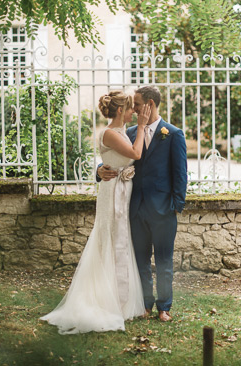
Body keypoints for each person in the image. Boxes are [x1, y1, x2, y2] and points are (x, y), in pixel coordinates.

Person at [41, 90, 151, 334]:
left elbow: (118, 159)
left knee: (120, 240)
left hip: (122, 191)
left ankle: (121, 299)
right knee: (110, 239)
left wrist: (102, 167)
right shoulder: (110, 133)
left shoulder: (121, 132)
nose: (135, 112)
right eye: (131, 108)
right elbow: (135, 154)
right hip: (112, 193)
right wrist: (142, 126)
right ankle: (106, 300)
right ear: (121, 110)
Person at [98, 86, 188, 322]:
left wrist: (176, 206)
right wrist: (99, 171)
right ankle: (145, 304)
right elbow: (110, 158)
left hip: (163, 210)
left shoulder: (173, 134)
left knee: (164, 261)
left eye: (137, 104)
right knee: (140, 261)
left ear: (149, 104)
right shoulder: (127, 132)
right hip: (134, 208)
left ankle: (164, 307)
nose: (134, 108)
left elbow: (180, 175)